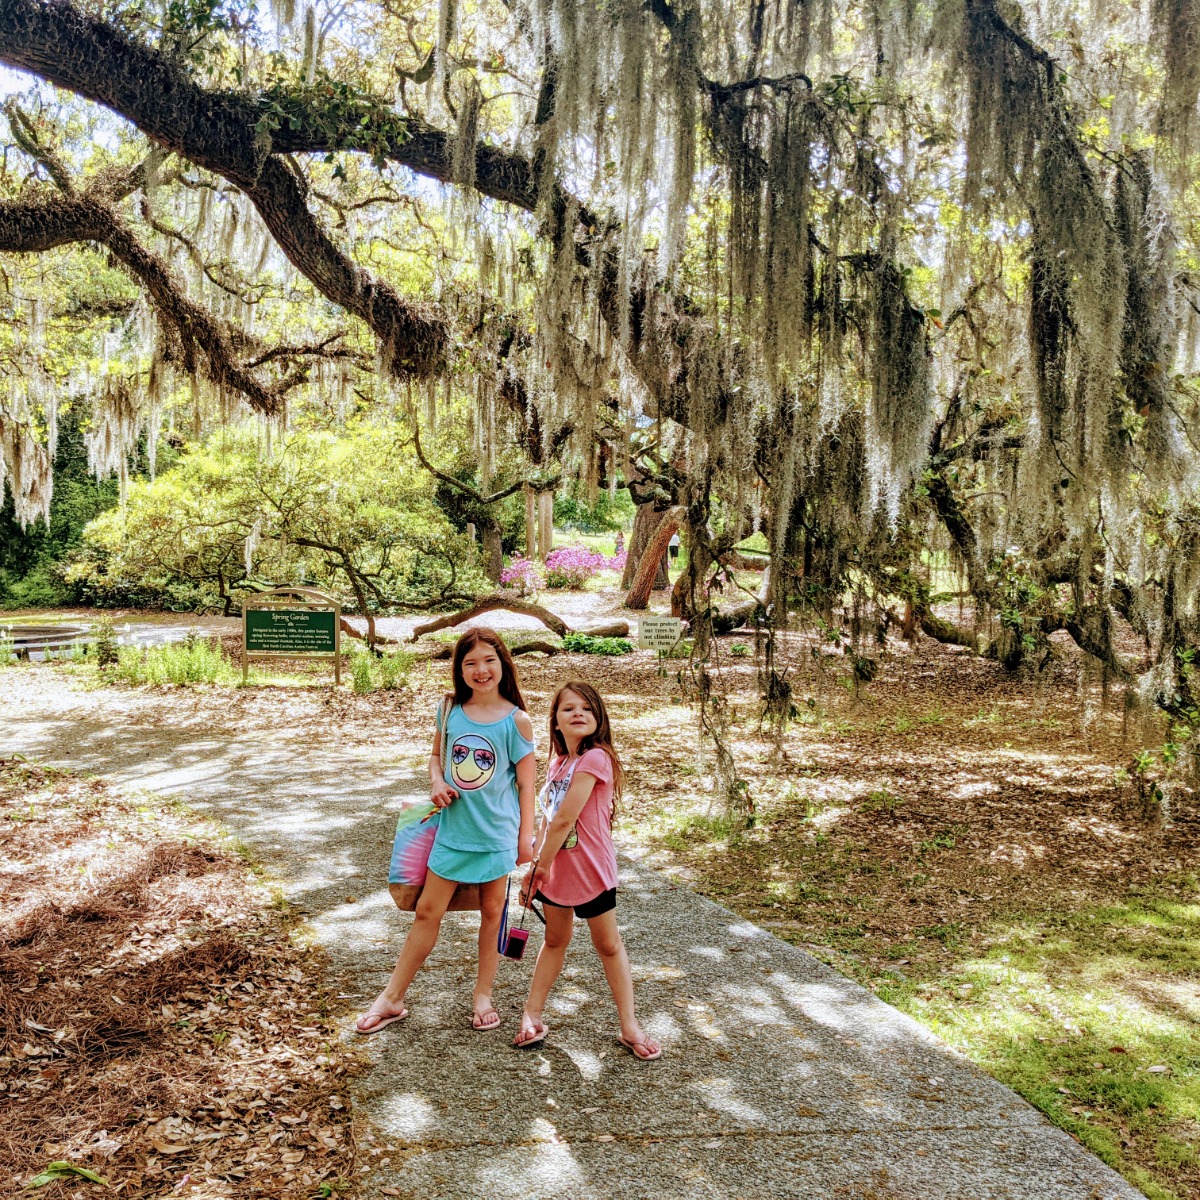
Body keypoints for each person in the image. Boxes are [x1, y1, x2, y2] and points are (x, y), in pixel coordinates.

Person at [356, 628, 536, 1034]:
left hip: (496, 835)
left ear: (503, 663)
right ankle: (392, 998)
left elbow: (527, 785)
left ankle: (483, 996)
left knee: (493, 914)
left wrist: (526, 839)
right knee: (426, 911)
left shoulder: (517, 721)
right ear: (460, 669)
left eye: (489, 660)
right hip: (453, 830)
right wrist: (436, 782)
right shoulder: (449, 707)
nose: (480, 669)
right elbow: (436, 756)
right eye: (470, 662)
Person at [513, 682, 661, 1060]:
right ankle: (532, 1014)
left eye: (586, 709)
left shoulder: (596, 758)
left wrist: (537, 869)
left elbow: (566, 818)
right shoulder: (557, 763)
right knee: (555, 941)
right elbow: (548, 820)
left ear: (598, 720)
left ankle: (629, 1026)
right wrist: (537, 866)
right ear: (556, 722)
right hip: (555, 872)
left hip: (590, 871)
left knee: (608, 944)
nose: (577, 713)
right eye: (568, 709)